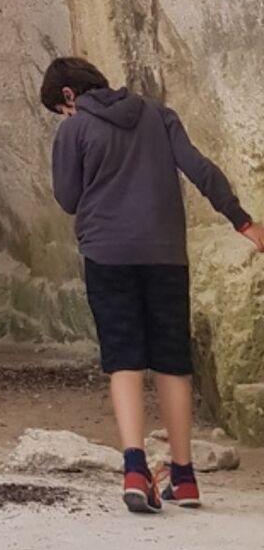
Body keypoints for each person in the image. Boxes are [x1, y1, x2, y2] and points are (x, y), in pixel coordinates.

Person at [41, 57, 264, 514]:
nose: (65, 117)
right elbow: (200, 169)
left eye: (61, 109)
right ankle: (183, 478)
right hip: (165, 255)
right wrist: (242, 221)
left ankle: (135, 469)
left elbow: (67, 198)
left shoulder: (75, 128)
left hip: (107, 253)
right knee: (171, 361)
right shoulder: (158, 114)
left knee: (123, 358)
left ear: (68, 96)